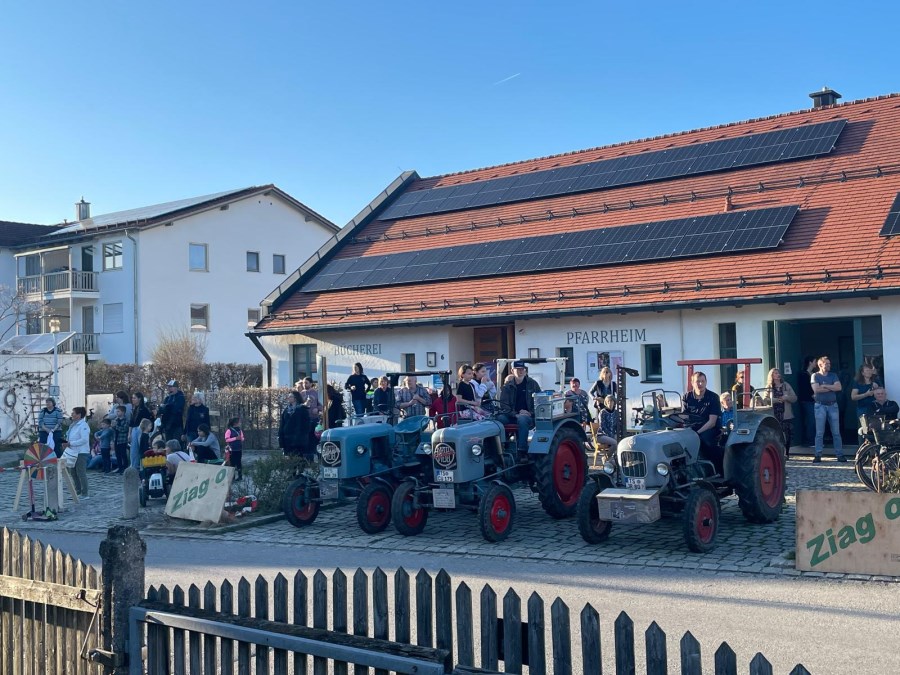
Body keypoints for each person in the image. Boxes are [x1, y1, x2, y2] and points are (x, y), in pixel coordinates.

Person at [681, 372, 722, 471]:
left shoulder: (713, 397)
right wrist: (688, 430)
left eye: (702, 381)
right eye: (697, 381)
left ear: (706, 382)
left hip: (709, 428)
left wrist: (696, 433)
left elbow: (712, 422)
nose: (700, 384)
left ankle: (715, 469)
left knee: (705, 441)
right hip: (692, 428)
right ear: (692, 383)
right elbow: (684, 416)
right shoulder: (687, 397)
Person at [499, 361, 541, 452]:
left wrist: (530, 413)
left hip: (529, 416)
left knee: (522, 420)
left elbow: (540, 402)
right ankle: (501, 448)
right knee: (499, 419)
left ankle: (522, 450)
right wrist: (515, 414)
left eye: (522, 369)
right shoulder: (507, 387)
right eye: (518, 369)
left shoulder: (533, 384)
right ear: (512, 371)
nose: (521, 371)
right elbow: (504, 405)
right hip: (512, 415)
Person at [811, 355, 846, 463]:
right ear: (820, 365)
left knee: (836, 432)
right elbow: (816, 389)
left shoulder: (833, 375)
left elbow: (839, 387)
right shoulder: (815, 376)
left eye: (829, 364)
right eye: (827, 364)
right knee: (819, 432)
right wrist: (831, 387)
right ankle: (818, 455)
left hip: (833, 405)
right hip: (820, 405)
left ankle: (839, 455)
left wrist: (825, 386)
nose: (829, 365)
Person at [762, 368, 798, 458]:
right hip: (774, 414)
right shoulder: (769, 387)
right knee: (776, 434)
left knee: (787, 434)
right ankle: (778, 453)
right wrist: (774, 400)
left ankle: (787, 453)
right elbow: (765, 400)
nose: (777, 374)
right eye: (775, 373)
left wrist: (786, 398)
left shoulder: (786, 385)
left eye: (778, 373)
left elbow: (794, 398)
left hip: (786, 413)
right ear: (771, 376)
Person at [62, 406, 91, 499]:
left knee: (80, 472)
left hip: (81, 452)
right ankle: (77, 491)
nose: (72, 415)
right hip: (72, 452)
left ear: (79, 415)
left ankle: (85, 493)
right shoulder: (73, 425)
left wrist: (71, 443)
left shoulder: (83, 426)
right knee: (73, 472)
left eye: (73, 413)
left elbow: (84, 439)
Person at [280, 390, 312, 457]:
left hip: (299, 439)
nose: (288, 398)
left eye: (290, 396)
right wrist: (281, 437)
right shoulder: (286, 410)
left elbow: (306, 424)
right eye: (288, 397)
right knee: (289, 458)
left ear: (295, 398)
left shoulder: (302, 409)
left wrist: (303, 436)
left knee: (299, 458)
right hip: (287, 438)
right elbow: (282, 424)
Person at [129, 392, 153, 470]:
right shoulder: (134, 409)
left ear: (139, 399)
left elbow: (147, 421)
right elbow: (131, 422)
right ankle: (133, 467)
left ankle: (143, 467)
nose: (133, 400)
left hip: (140, 429)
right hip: (134, 429)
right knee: (133, 450)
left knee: (141, 448)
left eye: (134, 398)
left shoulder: (144, 409)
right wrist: (129, 433)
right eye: (132, 398)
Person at [797, 356, 816, 446]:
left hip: (814, 401)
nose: (816, 363)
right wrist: (813, 396)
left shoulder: (814, 374)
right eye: (815, 361)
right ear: (810, 362)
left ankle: (814, 440)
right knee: (810, 420)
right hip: (807, 401)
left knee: (815, 420)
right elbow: (805, 389)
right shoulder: (804, 375)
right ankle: (810, 441)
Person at [112, 405, 130, 474]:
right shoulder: (116, 420)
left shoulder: (125, 420)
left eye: (118, 411)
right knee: (118, 454)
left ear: (123, 412)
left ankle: (125, 467)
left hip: (122, 440)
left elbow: (124, 429)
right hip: (116, 439)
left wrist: (116, 426)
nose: (117, 413)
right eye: (116, 411)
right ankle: (119, 467)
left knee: (123, 454)